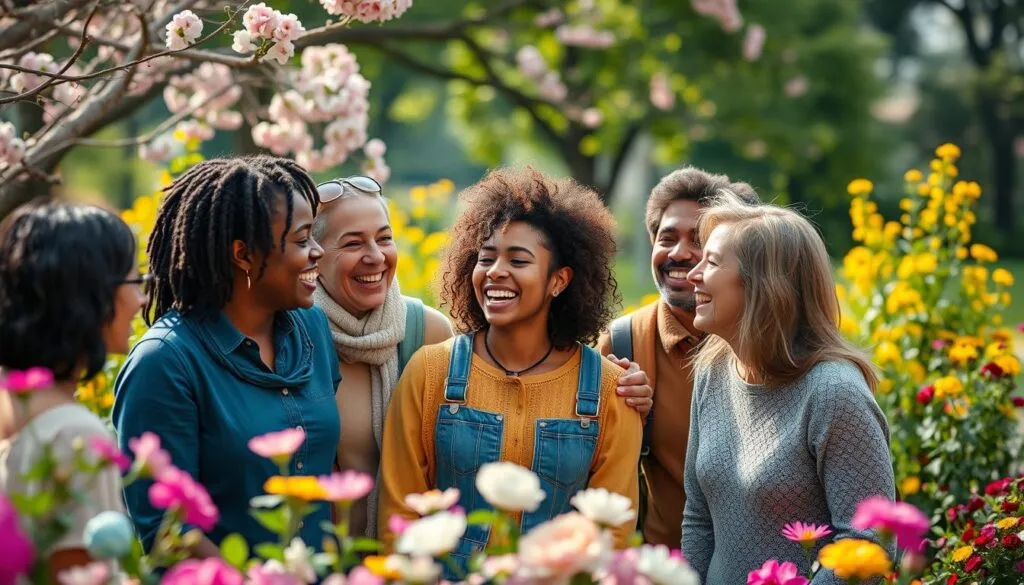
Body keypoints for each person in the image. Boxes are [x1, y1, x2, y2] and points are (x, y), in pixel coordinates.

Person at [312, 175, 655, 538]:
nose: (495, 272)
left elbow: (613, 536)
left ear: (559, 280)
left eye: (518, 261)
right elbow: (400, 521)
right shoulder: (430, 372)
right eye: (486, 258)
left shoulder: (610, 392)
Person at [113, 156, 341, 556]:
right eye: (302, 240)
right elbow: (167, 531)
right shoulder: (165, 363)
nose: (318, 252)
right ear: (243, 254)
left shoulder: (313, 331)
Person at [681, 192, 896, 584]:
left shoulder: (834, 394)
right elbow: (698, 516)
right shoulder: (713, 370)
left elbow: (869, 544)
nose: (693, 275)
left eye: (710, 263)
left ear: (762, 286)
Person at [597, 167, 759, 547]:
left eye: (699, 240)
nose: (680, 254)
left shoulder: (771, 341)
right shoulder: (623, 345)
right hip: (666, 566)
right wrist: (625, 416)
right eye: (666, 238)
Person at [0, 201, 147, 580]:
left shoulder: (11, 403)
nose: (141, 300)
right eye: (135, 282)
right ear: (93, 296)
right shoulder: (73, 434)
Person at [311, 176, 454, 538]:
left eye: (384, 238)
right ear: (314, 255)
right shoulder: (292, 336)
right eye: (353, 243)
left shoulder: (429, 334)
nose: (375, 256)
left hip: (408, 562)